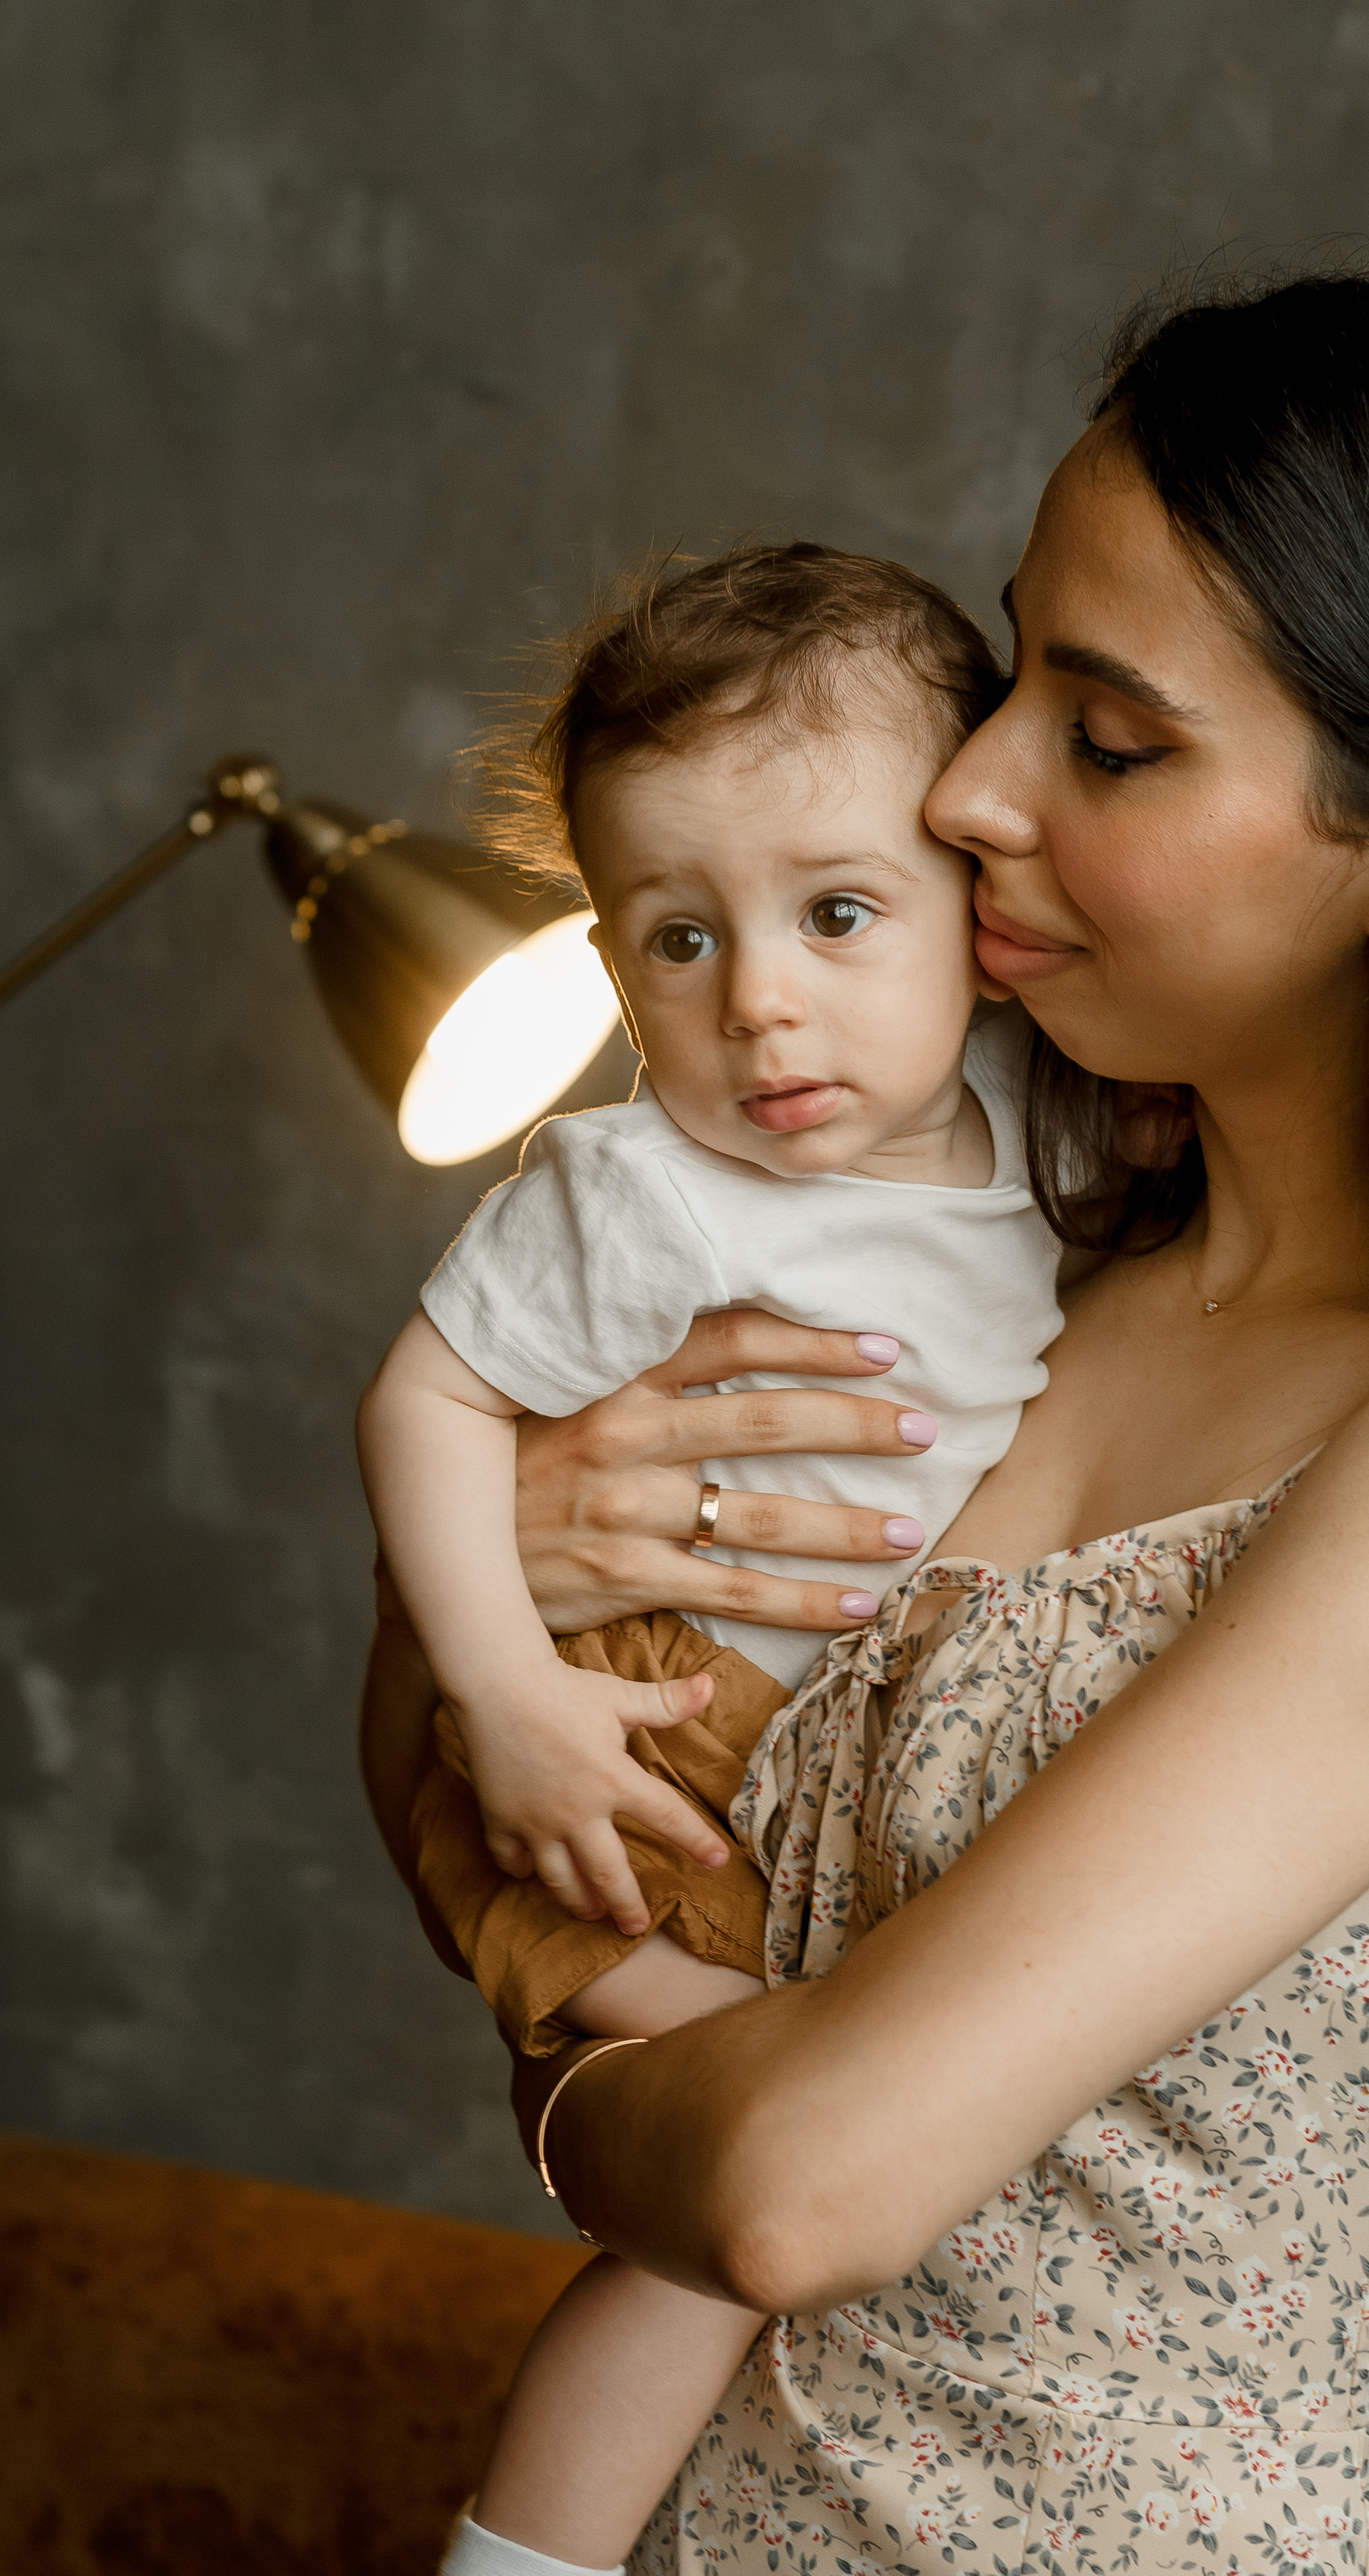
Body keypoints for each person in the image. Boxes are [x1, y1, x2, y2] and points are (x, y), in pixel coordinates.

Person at [364, 271, 1369, 2576]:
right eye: (1016, 664)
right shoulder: (1013, 1254)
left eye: (1109, 743)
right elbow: (502, 1788)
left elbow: (794, 2184)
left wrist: (564, 2055)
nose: (964, 785)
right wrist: (499, 1561)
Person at [355, 542, 1064, 2575]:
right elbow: (425, 1405)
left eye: (839, 913)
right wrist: (503, 1696)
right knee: (725, 2218)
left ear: (975, 908)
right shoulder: (646, 1192)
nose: (758, 1003)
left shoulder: (1053, 1123)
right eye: (672, 939)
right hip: (629, 1764)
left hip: (812, 1774)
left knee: (801, 2174)